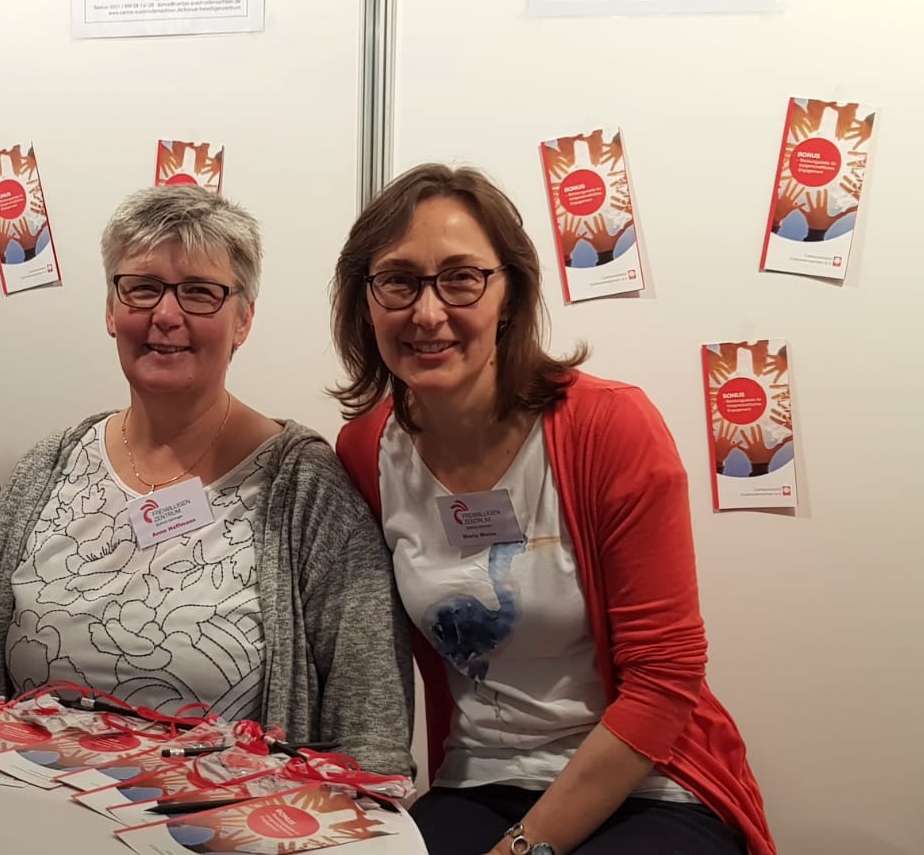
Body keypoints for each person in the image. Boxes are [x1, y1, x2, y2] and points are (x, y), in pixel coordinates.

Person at [330, 164, 774, 854]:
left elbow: (666, 679)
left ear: (510, 293)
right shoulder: (364, 451)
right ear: (365, 300)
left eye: (460, 277)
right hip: (477, 781)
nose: (426, 312)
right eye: (398, 280)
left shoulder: (608, 427)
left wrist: (524, 847)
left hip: (648, 783)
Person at [0, 185, 415, 776]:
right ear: (110, 309)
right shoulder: (46, 470)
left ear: (243, 319)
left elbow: (370, 736)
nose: (166, 315)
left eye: (200, 293)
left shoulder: (303, 490)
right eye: (142, 288)